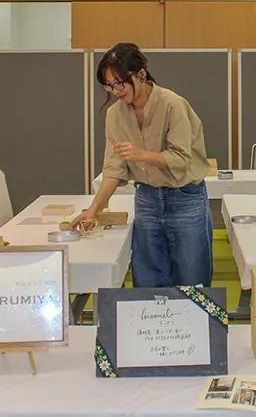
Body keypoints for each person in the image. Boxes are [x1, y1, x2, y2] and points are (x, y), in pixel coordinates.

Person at [71, 43, 213, 287]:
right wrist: (93, 209)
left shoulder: (173, 105)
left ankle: (198, 323)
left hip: (185, 198)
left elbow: (181, 160)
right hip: (147, 199)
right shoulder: (115, 114)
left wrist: (141, 155)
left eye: (120, 82)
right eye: (109, 85)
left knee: (193, 279)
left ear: (141, 74)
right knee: (148, 279)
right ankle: (152, 325)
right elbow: (113, 170)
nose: (116, 90)